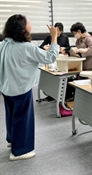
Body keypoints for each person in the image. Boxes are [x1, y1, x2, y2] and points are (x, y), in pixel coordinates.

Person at [0, 14, 59, 161]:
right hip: (21, 88)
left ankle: (12, 140)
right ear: (22, 28)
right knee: (22, 119)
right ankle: (19, 151)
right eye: (28, 23)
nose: (31, 25)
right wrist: (54, 37)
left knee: (11, 115)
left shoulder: (3, 44)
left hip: (6, 87)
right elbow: (50, 57)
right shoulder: (27, 48)